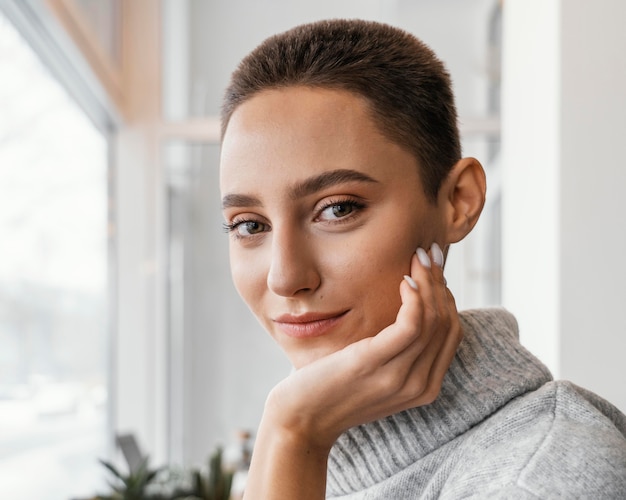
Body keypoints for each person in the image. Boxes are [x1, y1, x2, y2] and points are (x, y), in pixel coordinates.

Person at [219, 19, 626, 499]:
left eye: (338, 209)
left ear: (458, 200)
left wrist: (294, 434)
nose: (286, 277)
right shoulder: (308, 444)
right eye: (250, 225)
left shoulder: (541, 477)